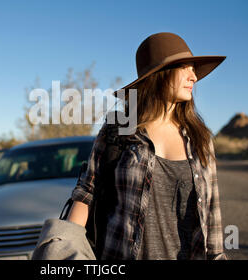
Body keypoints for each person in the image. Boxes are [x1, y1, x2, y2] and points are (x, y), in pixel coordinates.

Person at [67, 32, 228, 260]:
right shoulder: (120, 126)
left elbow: (212, 213)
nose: (194, 76)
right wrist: (68, 249)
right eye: (185, 67)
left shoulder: (200, 138)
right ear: (158, 74)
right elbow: (86, 193)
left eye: (194, 68)